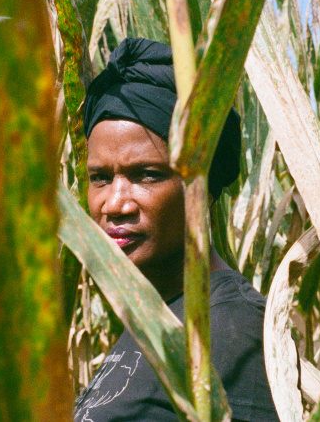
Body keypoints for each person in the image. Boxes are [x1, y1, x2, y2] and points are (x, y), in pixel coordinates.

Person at [73, 38, 279, 421]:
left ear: (203, 184)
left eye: (146, 175)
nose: (114, 204)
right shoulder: (156, 316)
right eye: (100, 177)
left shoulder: (231, 331)